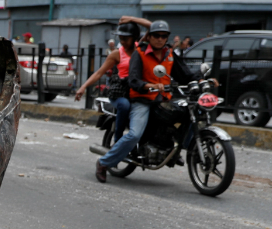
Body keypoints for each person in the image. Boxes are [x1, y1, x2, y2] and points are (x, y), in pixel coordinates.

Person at [94, 20, 204, 183]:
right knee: (134, 134)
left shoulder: (170, 54)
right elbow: (133, 80)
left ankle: (174, 150)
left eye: (163, 36)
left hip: (163, 99)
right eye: (156, 36)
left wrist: (202, 80)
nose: (160, 39)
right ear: (150, 37)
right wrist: (149, 86)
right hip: (142, 100)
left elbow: (185, 74)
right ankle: (103, 163)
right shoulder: (140, 53)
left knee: (189, 113)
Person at [75, 21, 143, 142]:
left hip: (139, 89)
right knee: (124, 105)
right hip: (121, 92)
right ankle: (118, 140)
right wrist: (83, 87)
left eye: (126, 39)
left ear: (134, 38)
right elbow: (99, 73)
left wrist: (132, 18)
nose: (122, 42)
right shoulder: (116, 54)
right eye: (120, 39)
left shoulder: (142, 50)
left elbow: (151, 27)